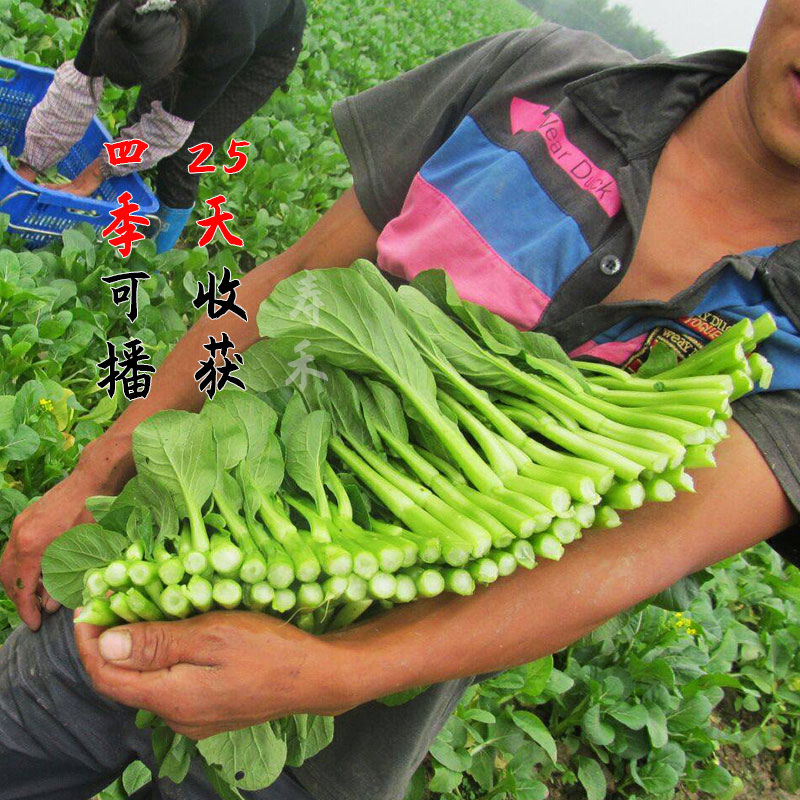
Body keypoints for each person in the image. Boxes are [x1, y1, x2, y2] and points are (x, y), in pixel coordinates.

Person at [2, 1, 800, 798]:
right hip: (147, 557)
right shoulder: (537, 80)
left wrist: (337, 670)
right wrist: (99, 466)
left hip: (320, 746)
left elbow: (622, 563)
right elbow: (282, 284)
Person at [15, 0, 306, 252]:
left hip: (267, 47)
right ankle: (118, 222)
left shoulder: (231, 33)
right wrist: (29, 168)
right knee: (141, 120)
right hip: (187, 24)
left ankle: (154, 256)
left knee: (186, 153)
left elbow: (167, 129)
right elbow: (81, 82)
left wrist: (94, 172)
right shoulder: (122, 11)